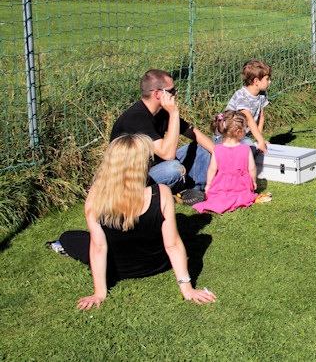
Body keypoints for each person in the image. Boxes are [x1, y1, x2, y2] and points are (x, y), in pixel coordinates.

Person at [48, 134, 217, 310]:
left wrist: (99, 293)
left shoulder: (96, 196)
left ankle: (60, 245)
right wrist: (187, 289)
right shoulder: (161, 193)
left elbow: (98, 247)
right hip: (158, 264)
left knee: (70, 237)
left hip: (117, 269)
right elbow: (172, 244)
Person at [110, 69, 215, 191]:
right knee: (174, 169)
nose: (176, 93)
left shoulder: (160, 113)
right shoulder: (136, 119)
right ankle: (182, 191)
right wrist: (174, 113)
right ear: (157, 94)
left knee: (203, 148)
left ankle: (198, 190)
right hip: (133, 179)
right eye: (172, 91)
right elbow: (168, 154)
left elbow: (192, 132)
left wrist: (220, 154)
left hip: (156, 166)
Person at [191, 111, 262, 214]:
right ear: (239, 132)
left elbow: (212, 169)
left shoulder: (217, 149)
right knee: (243, 196)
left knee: (219, 196)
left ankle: (222, 200)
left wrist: (208, 185)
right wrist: (253, 181)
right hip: (241, 185)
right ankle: (236, 199)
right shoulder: (246, 149)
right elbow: (252, 168)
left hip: (221, 185)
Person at [225, 60, 271, 154]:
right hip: (228, 134)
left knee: (254, 149)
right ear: (256, 81)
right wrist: (260, 141)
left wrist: (259, 139)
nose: (269, 82)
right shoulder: (241, 96)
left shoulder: (261, 95)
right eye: (267, 79)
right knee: (249, 150)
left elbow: (261, 117)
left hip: (242, 135)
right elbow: (249, 119)